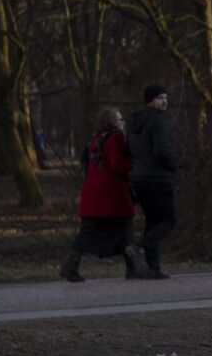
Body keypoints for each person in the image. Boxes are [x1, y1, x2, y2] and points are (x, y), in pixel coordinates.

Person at [58, 109, 152, 282]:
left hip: (92, 195)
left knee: (87, 233)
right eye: (119, 118)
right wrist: (133, 167)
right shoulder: (116, 137)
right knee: (125, 230)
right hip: (112, 194)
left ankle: (71, 265)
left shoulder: (95, 139)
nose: (122, 121)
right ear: (111, 121)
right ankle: (132, 270)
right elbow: (116, 164)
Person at [126, 84, 180, 278]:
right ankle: (141, 246)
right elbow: (162, 151)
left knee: (153, 221)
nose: (164, 101)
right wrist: (174, 165)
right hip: (158, 177)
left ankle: (152, 267)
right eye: (160, 98)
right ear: (150, 100)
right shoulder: (159, 121)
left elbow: (128, 151)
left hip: (139, 178)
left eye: (165, 97)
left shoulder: (132, 122)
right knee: (168, 219)